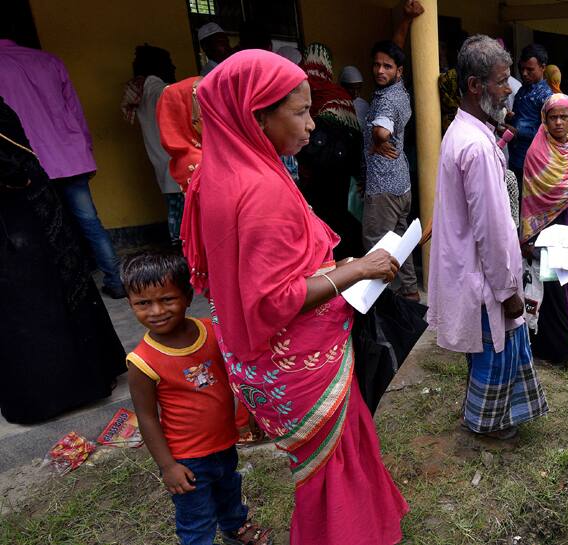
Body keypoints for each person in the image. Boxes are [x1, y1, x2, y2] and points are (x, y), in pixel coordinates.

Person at [180, 49, 407, 544]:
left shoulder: (214, 173)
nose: (312, 125)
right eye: (301, 112)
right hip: (296, 362)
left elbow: (240, 276)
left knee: (339, 454)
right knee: (332, 466)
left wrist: (335, 267)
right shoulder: (261, 188)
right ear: (256, 114)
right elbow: (274, 299)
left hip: (253, 358)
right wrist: (359, 268)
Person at [427, 35, 549, 440]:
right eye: (501, 81)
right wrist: (507, 289)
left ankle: (491, 416)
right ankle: (488, 423)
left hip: (475, 271)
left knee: (489, 349)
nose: (508, 90)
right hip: (485, 276)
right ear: (476, 86)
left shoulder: (465, 133)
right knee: (496, 351)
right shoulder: (476, 146)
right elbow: (493, 231)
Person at [122, 252, 270, 545]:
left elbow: (236, 376)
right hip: (187, 458)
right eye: (143, 303)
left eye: (167, 299)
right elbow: (148, 418)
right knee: (196, 517)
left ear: (188, 296)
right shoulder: (142, 361)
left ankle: (236, 530)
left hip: (224, 442)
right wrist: (168, 466)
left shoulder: (212, 330)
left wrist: (248, 416)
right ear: (130, 304)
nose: (156, 311)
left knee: (229, 488)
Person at [0, 96, 126, 424]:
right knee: (39, 294)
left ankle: (59, 389)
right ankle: (67, 387)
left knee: (36, 295)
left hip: (23, 213)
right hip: (20, 214)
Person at [0, 34, 125, 298]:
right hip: (70, 155)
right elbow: (74, 109)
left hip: (28, 162)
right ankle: (116, 281)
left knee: (41, 227)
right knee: (90, 222)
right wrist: (86, 149)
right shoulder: (48, 60)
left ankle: (65, 289)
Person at [520, 93, 568, 365]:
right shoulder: (535, 153)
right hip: (547, 226)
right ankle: (557, 347)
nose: (559, 122)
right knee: (552, 283)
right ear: (545, 119)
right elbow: (529, 196)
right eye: (553, 117)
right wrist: (529, 235)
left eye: (564, 116)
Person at [362, 39, 419, 300]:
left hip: (384, 185)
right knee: (398, 241)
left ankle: (382, 303)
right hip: (401, 182)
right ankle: (409, 293)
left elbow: (382, 129)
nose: (379, 71)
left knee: (377, 246)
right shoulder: (401, 92)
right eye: (376, 65)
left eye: (387, 66)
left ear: (399, 70)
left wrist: (378, 138)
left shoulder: (386, 100)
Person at [297, 43, 364, 261]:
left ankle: (326, 266)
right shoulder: (339, 95)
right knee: (338, 219)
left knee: (317, 222)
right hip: (340, 175)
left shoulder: (299, 91)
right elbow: (356, 138)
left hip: (312, 175)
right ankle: (344, 267)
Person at [121, 44, 183, 245]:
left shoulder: (143, 94)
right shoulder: (163, 93)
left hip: (164, 171)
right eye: (169, 63)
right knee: (189, 228)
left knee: (177, 227)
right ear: (158, 66)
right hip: (181, 170)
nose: (173, 67)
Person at [508, 43, 553, 182]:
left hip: (533, 162)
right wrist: (509, 119)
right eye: (521, 69)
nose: (524, 73)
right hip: (515, 158)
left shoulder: (546, 96)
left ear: (543, 67)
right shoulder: (523, 90)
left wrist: (518, 131)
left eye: (530, 69)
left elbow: (548, 132)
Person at [339, 65, 369, 130]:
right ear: (342, 86)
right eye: (351, 88)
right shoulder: (334, 104)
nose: (356, 92)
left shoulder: (364, 105)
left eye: (358, 88)